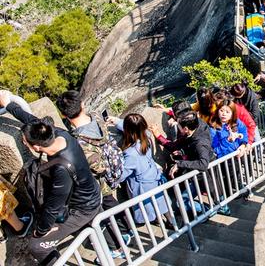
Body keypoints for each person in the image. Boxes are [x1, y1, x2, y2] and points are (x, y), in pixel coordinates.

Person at [0, 93, 102, 266]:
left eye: (25, 142)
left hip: (83, 208)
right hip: (89, 191)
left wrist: (41, 231)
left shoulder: (62, 169)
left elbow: (53, 206)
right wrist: (9, 105)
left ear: (37, 147)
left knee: (37, 246)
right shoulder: (58, 133)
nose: (24, 142)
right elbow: (31, 119)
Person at [55, 90, 131, 258]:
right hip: (115, 170)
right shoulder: (97, 117)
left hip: (98, 185)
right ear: (82, 105)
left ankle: (117, 248)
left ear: (63, 115)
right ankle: (128, 230)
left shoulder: (75, 141)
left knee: (101, 216)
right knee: (114, 205)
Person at [118, 114, 170, 224]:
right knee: (162, 203)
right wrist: (117, 121)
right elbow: (134, 127)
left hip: (142, 186)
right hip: (154, 177)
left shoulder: (131, 154)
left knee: (150, 208)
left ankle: (158, 221)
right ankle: (172, 223)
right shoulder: (146, 137)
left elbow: (121, 175)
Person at [150, 109, 213, 179]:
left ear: (185, 129)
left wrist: (179, 164)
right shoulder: (196, 124)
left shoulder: (200, 144)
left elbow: (203, 164)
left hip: (208, 177)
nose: (177, 126)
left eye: (178, 125)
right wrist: (183, 151)